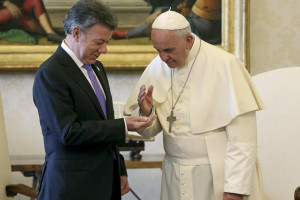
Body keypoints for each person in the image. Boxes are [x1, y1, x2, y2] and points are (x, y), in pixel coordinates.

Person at [124, 10, 265, 200]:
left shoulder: (225, 64)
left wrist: (235, 190)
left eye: (169, 50)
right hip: (174, 173)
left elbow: (243, 140)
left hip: (217, 174)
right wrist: (146, 112)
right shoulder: (158, 66)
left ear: (188, 41)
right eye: (158, 50)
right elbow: (149, 132)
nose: (163, 58)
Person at [33, 0, 156, 200]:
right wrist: (123, 126)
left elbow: (102, 124)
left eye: (107, 42)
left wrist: (120, 168)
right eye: (99, 42)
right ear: (76, 33)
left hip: (105, 182)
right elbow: (69, 132)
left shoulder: (96, 68)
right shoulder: (51, 73)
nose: (104, 49)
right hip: (71, 188)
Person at [112, 0, 196, 40]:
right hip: (170, 12)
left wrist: (159, 12)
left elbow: (179, 6)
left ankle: (126, 34)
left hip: (189, 18)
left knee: (159, 17)